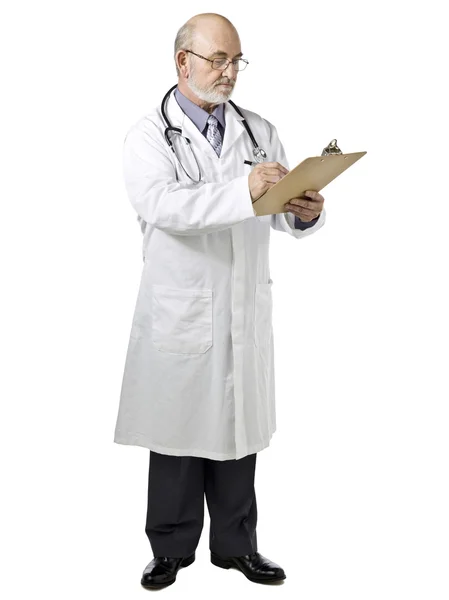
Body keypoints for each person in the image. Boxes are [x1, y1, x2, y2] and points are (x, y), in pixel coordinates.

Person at [113, 12, 326, 589]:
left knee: (237, 434)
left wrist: (302, 212)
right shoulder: (147, 137)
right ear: (184, 63)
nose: (230, 72)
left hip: (241, 305)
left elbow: (273, 208)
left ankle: (237, 546)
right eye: (218, 60)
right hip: (182, 310)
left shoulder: (258, 130)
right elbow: (167, 209)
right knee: (178, 434)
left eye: (236, 61)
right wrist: (246, 190)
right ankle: (170, 549)